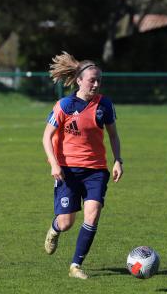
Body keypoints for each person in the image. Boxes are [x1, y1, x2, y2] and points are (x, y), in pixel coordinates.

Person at [42, 52, 123, 279]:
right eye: (91, 80)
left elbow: (114, 136)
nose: (96, 84)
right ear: (79, 80)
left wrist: (118, 160)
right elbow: (46, 137)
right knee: (67, 222)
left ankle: (75, 265)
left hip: (96, 170)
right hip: (67, 171)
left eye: (99, 80)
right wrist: (54, 165)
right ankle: (54, 229)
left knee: (93, 214)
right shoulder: (65, 105)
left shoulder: (104, 105)